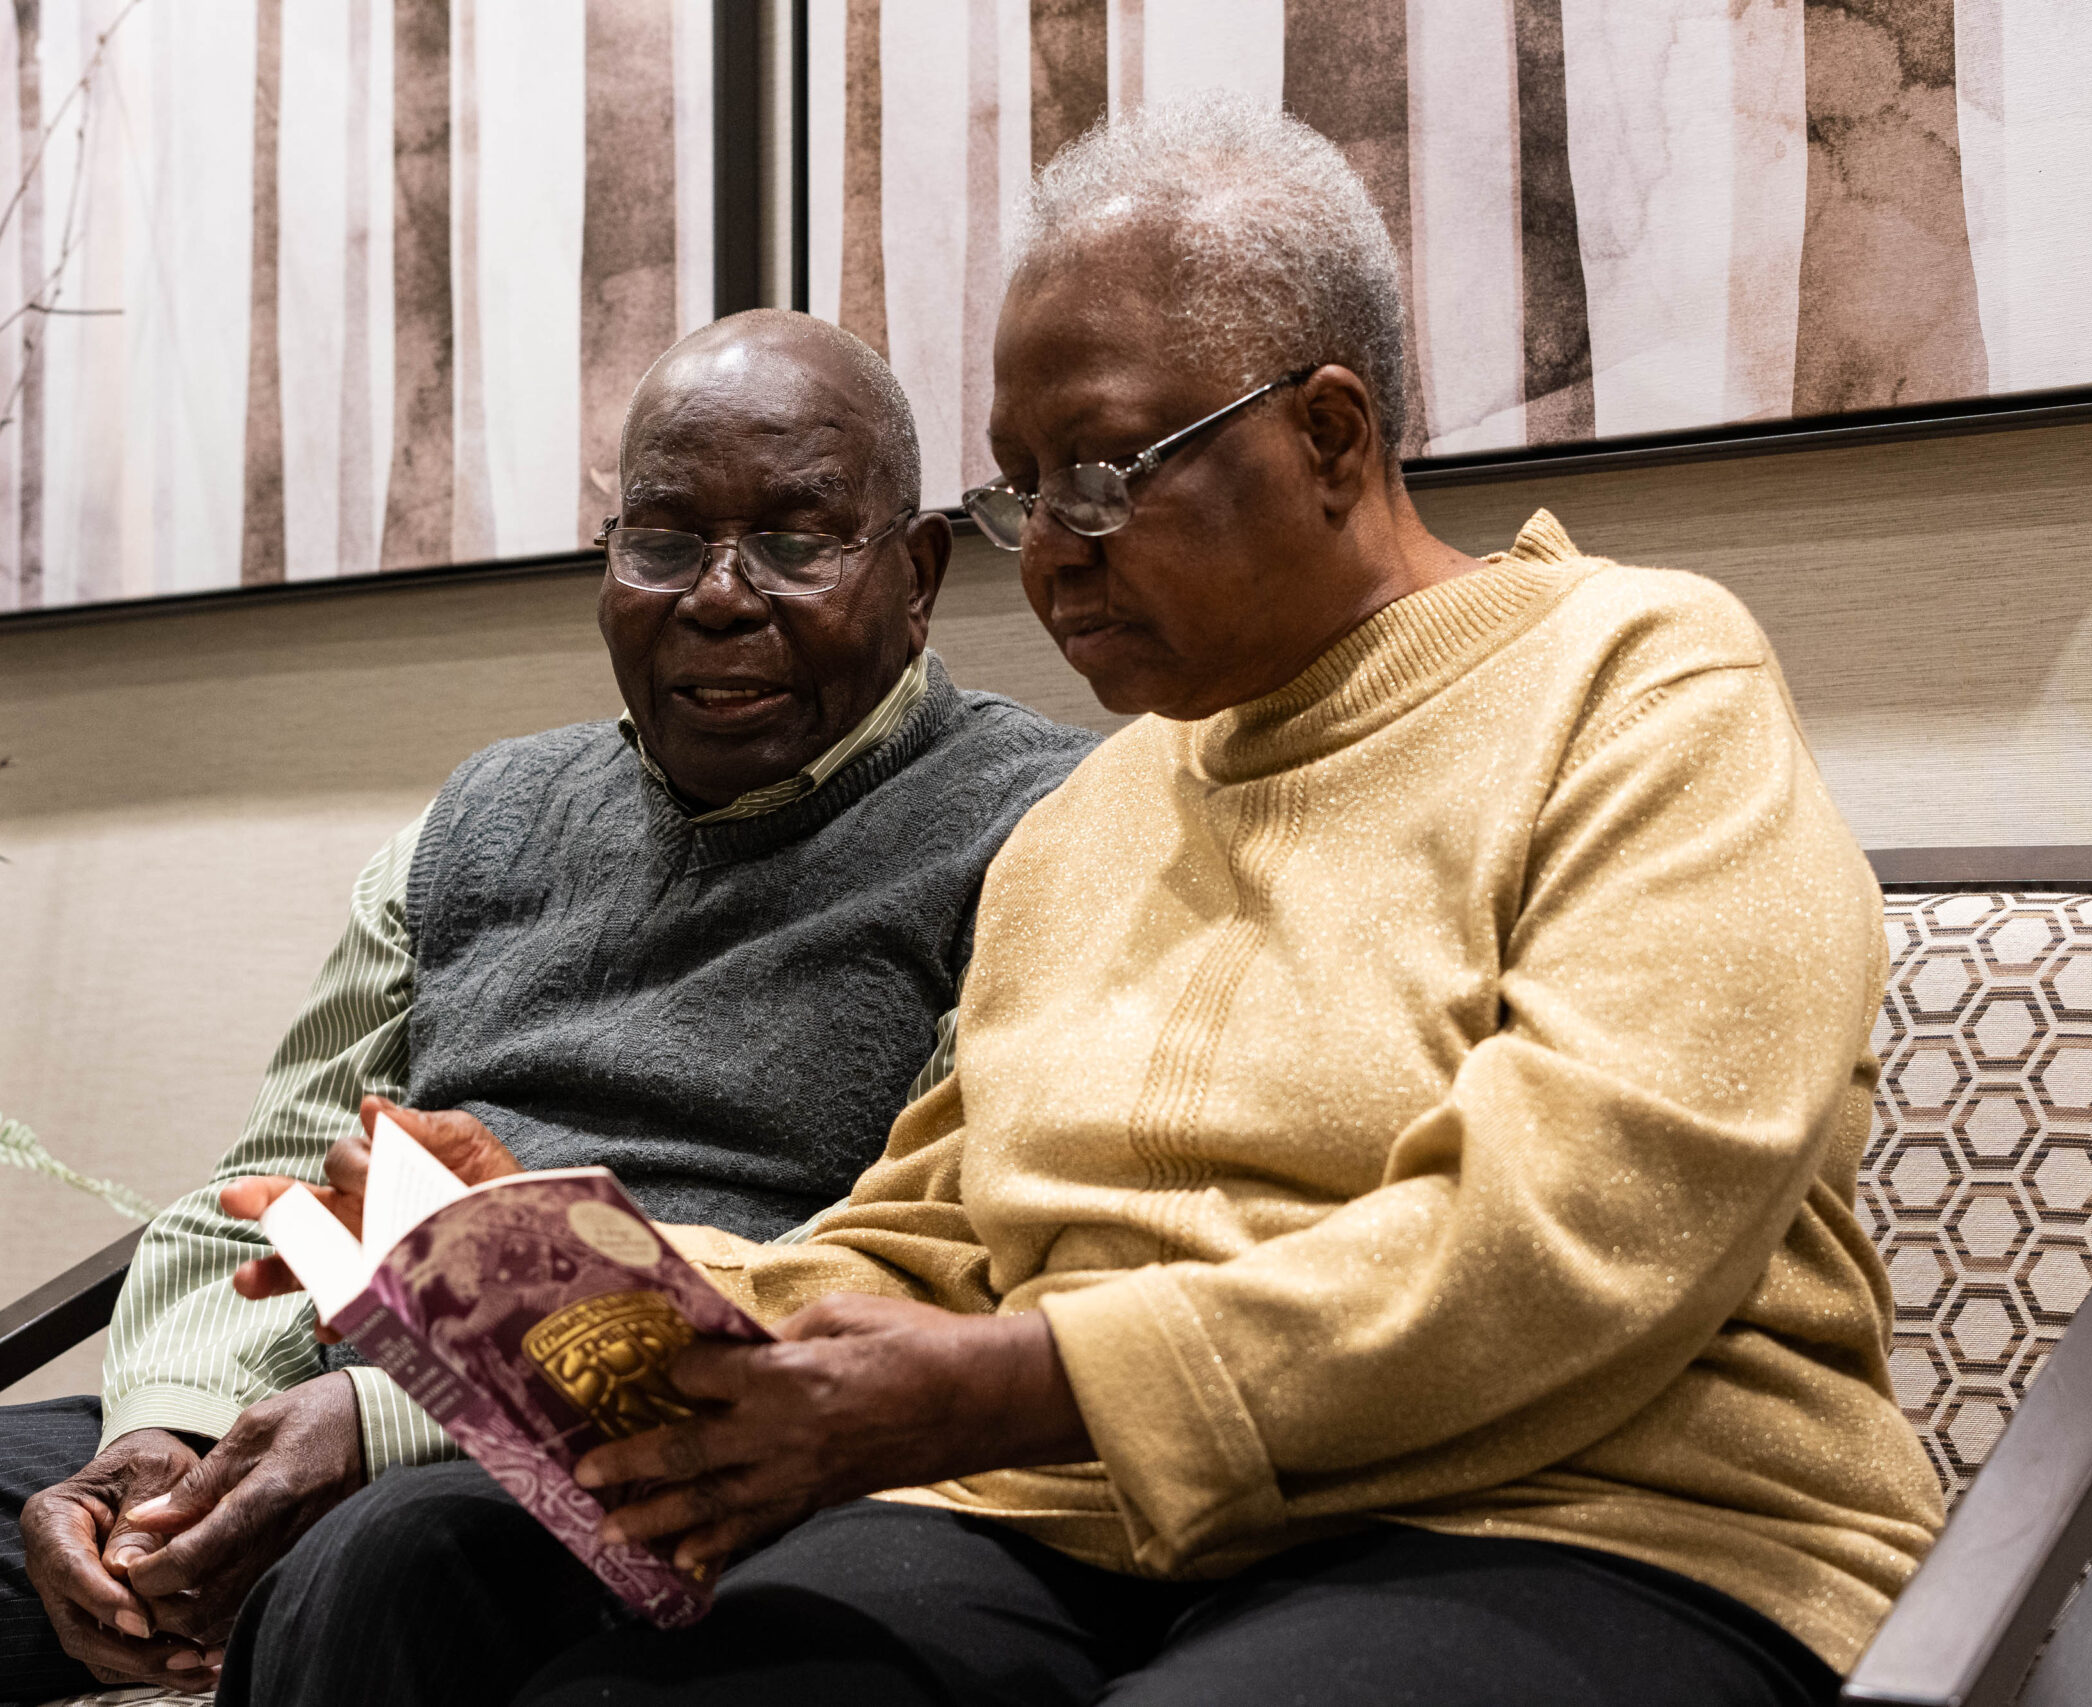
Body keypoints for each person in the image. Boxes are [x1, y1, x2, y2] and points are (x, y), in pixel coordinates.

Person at [235, 99, 1946, 1707]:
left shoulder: (1642, 680)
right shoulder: (1093, 809)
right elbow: (923, 1244)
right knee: (516, 1617)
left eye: (1104, 474)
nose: (1049, 549)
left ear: (1332, 433)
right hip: (1078, 1512)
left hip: (1595, 1516)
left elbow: (1585, 1230)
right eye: (1022, 485)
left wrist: (1016, 1382)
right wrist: (555, 1266)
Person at [0, 309, 1099, 1707]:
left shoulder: (1031, 829)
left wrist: (405, 1414)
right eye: (663, 542)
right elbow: (270, 1188)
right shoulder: (478, 822)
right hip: (305, 1402)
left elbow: (907, 1256)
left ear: (917, 574)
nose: (720, 597)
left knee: (381, 1553)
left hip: (673, 1449)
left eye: (796, 544)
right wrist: (169, 1441)